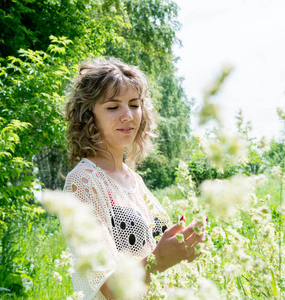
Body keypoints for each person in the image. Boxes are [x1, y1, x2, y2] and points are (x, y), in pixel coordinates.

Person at [63, 57, 205, 300]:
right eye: (112, 107)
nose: (128, 115)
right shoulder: (83, 182)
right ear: (89, 117)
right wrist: (158, 260)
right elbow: (107, 287)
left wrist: (183, 243)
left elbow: (153, 253)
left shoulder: (134, 180)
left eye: (134, 104)